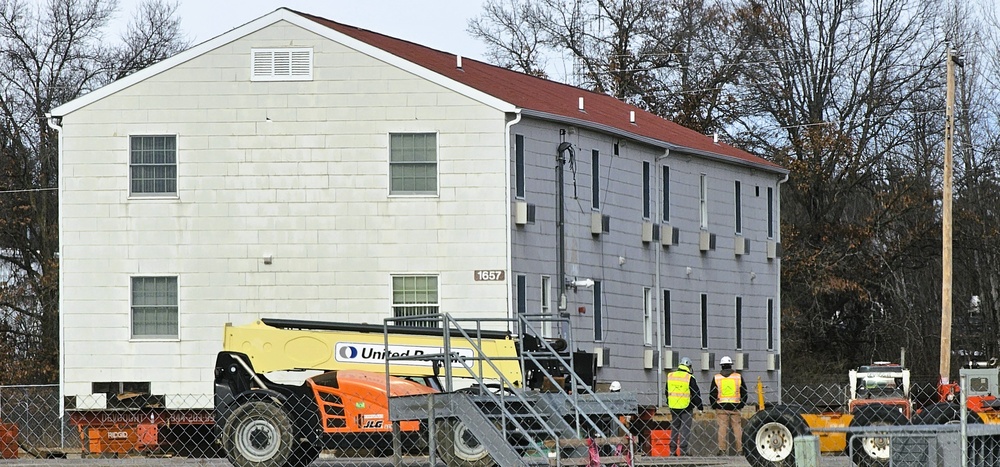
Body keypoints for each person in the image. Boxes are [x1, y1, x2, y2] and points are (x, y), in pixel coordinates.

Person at [710, 355, 748, 456]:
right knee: (737, 428)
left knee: (722, 428)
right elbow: (744, 392)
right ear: (731, 366)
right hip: (735, 406)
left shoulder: (716, 378)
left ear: (721, 366)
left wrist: (714, 405)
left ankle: (722, 450)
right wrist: (741, 404)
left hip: (721, 406)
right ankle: (740, 450)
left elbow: (712, 393)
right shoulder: (738, 377)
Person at [666, 357, 702, 456]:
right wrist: (700, 406)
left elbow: (666, 391)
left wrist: (669, 402)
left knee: (674, 428)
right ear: (689, 366)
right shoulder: (689, 377)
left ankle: (672, 451)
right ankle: (683, 450)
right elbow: (695, 393)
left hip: (673, 406)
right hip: (686, 407)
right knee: (685, 428)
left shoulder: (671, 376)